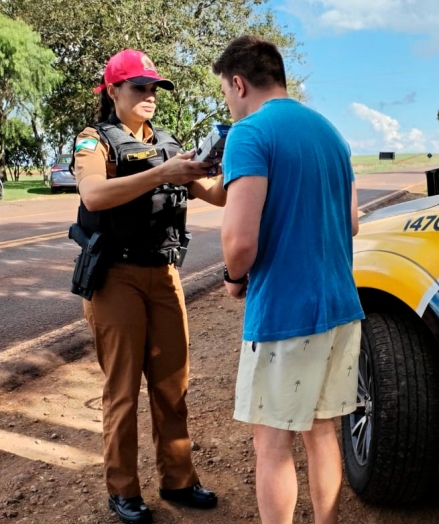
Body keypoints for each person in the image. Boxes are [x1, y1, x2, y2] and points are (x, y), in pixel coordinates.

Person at [213, 36, 365, 524]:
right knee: (322, 433)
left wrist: (234, 278)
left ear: (238, 83)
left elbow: (239, 241)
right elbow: (353, 220)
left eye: (225, 92)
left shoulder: (250, 134)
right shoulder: (330, 133)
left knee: (272, 442)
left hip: (284, 313)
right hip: (341, 307)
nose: (229, 103)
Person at [72, 49, 224, 524]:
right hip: (115, 277)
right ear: (112, 91)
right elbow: (93, 194)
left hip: (164, 275)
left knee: (172, 386)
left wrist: (233, 165)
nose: (149, 96)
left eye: (154, 88)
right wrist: (163, 172)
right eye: (139, 87)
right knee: (122, 391)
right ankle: (123, 491)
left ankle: (178, 481)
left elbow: (216, 196)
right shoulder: (94, 140)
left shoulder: (168, 144)